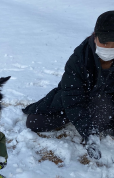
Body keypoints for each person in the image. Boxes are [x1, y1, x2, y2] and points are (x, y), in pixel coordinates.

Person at [23, 11, 114, 160]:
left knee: (104, 111)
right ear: (95, 36)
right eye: (104, 42)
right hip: (76, 101)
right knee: (35, 122)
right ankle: (78, 119)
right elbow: (72, 98)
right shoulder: (79, 59)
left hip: (105, 104)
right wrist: (89, 133)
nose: (109, 48)